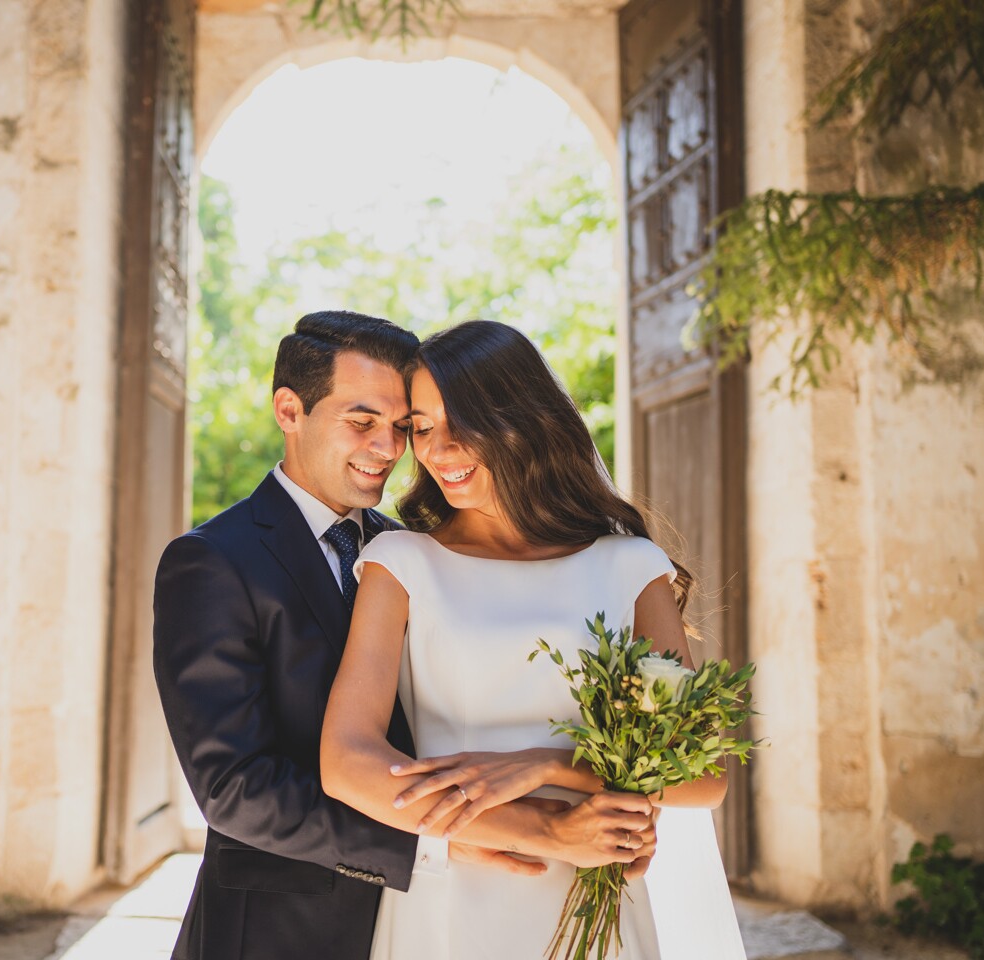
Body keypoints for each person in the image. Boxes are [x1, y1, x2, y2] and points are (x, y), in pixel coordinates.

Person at [153, 312, 658, 960]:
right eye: (362, 422)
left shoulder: (411, 546)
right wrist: (446, 838)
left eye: (401, 428)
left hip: (433, 922)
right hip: (284, 932)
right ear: (289, 410)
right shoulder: (213, 561)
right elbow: (235, 791)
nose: (389, 449)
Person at [319, 320, 746, 960]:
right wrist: (547, 829)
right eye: (423, 428)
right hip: (453, 900)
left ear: (525, 418)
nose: (439, 449)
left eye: (464, 422)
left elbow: (705, 776)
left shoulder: (628, 567)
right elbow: (346, 762)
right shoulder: (401, 561)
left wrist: (547, 767)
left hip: (599, 897)